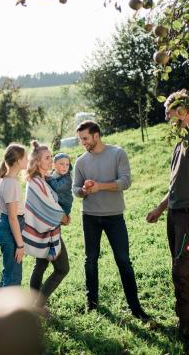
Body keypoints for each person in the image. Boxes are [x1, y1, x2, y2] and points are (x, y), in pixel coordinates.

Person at [145, 90, 189, 354]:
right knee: (180, 270)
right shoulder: (179, 144)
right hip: (176, 213)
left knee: (182, 271)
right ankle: (184, 323)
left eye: (169, 111)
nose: (166, 117)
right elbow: (176, 184)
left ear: (183, 111)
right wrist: (160, 208)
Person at [73, 120, 149, 321]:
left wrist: (100, 186)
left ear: (96, 135)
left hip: (114, 217)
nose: (83, 142)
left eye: (85, 138)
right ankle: (92, 304)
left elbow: (125, 182)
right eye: (81, 139)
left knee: (123, 260)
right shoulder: (80, 162)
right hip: (89, 217)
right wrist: (84, 190)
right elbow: (75, 190)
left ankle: (136, 307)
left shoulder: (117, 153)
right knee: (91, 260)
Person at [22, 141, 70, 307]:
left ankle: (34, 302)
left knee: (40, 265)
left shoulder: (40, 180)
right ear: (37, 162)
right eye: (47, 158)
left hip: (44, 232)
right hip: (47, 233)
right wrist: (63, 217)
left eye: (51, 157)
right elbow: (49, 207)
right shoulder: (36, 182)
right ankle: (38, 305)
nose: (51, 161)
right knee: (62, 269)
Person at [0, 143, 29, 287]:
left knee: (9, 271)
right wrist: (20, 246)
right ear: (18, 161)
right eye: (25, 158)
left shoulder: (4, 179)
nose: (27, 160)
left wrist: (3, 210)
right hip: (11, 227)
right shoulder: (12, 183)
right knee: (13, 276)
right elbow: (13, 217)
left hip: (5, 224)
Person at [46, 153, 74, 219]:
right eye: (62, 164)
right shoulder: (53, 174)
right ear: (54, 165)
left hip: (64, 206)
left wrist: (49, 178)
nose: (65, 167)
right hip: (56, 203)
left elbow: (57, 188)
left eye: (67, 165)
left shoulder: (67, 179)